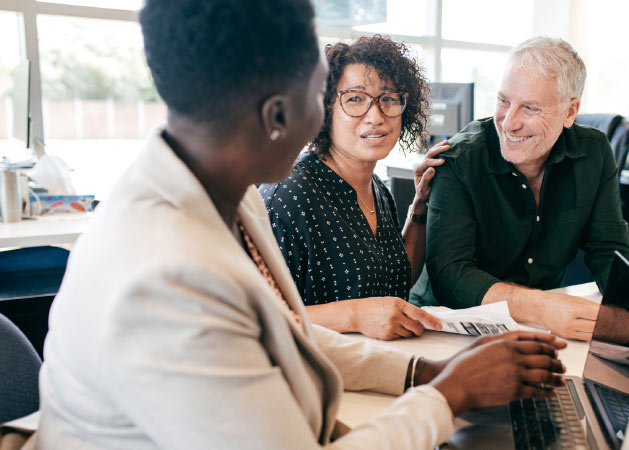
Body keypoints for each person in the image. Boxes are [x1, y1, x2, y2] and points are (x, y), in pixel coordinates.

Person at [34, 2, 568, 449]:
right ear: (277, 116)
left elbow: (287, 331)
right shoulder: (166, 277)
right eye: (327, 96)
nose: (367, 116)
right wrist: (450, 396)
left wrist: (421, 374)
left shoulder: (227, 195)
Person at [417, 37, 629, 341]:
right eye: (504, 101)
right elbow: (450, 275)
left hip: (537, 328)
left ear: (570, 112)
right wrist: (541, 307)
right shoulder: (458, 159)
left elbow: (608, 248)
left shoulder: (594, 153)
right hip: (447, 326)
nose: (509, 122)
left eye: (529, 107)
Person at [260, 35, 449, 340]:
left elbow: (393, 284)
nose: (375, 116)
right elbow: (258, 317)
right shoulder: (289, 196)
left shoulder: (376, 189)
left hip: (376, 365)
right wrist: (353, 315)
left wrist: (420, 207)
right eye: (355, 99)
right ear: (323, 109)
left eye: (387, 99)